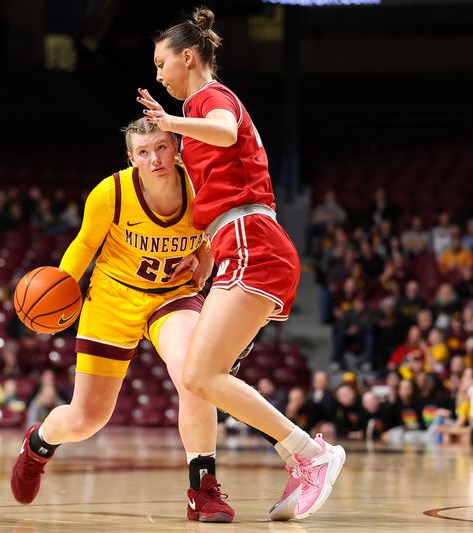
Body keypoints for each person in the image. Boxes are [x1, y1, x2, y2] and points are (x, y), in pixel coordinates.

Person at [137, 8, 344, 521]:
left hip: (254, 242)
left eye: (163, 63)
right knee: (200, 376)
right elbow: (219, 192)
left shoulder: (212, 99)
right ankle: (303, 455)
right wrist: (204, 249)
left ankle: (311, 454)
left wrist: (169, 121)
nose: (159, 75)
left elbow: (226, 132)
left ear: (189, 57)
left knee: (201, 374)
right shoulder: (194, 120)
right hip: (235, 244)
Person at [10, 118, 237, 523]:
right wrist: (61, 293)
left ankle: (202, 489)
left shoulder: (199, 185)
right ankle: (38, 445)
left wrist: (205, 258)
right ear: (131, 158)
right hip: (113, 299)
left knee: (193, 373)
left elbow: (216, 237)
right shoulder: (110, 193)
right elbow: (83, 245)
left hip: (173, 295)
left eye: (162, 148)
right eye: (144, 152)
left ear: (177, 148)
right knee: (86, 420)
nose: (155, 159)